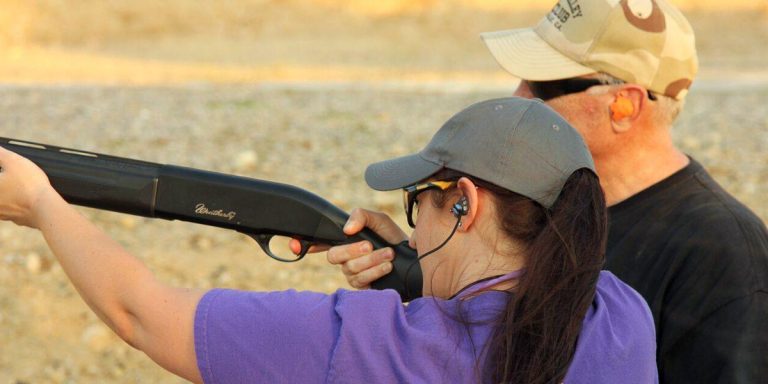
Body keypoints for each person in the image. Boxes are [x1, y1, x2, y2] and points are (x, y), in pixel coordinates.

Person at [0, 97, 657, 383]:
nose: (412, 223)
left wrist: (42, 205)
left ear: (466, 202)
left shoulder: (371, 349)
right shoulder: (623, 315)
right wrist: (412, 271)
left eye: (418, 202)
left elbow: (137, 313)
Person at [328, 1, 768, 382]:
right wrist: (417, 262)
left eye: (543, 85)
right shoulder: (541, 201)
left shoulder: (723, 252)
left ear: (625, 105)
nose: (519, 98)